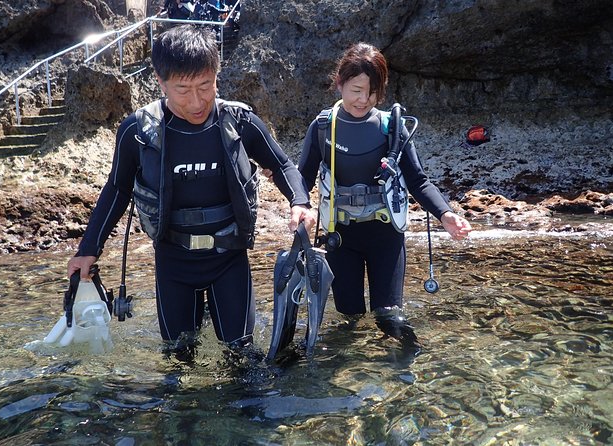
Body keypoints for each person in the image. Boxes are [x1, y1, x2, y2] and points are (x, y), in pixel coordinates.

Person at [67, 25, 315, 353]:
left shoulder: (239, 121)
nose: (197, 101)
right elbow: (117, 189)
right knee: (177, 360)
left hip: (229, 257)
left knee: (242, 358)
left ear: (217, 74)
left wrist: (300, 201)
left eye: (205, 85)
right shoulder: (138, 132)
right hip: (173, 261)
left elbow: (283, 165)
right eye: (182, 89)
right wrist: (88, 249)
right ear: (160, 81)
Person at [298, 43, 471, 349]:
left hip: (386, 237)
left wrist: (446, 214)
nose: (364, 99)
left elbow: (418, 179)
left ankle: (408, 377)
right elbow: (302, 180)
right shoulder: (323, 127)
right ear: (339, 83)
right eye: (356, 90)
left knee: (390, 318)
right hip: (341, 238)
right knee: (349, 321)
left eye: (372, 92)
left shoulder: (392, 128)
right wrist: (302, 207)